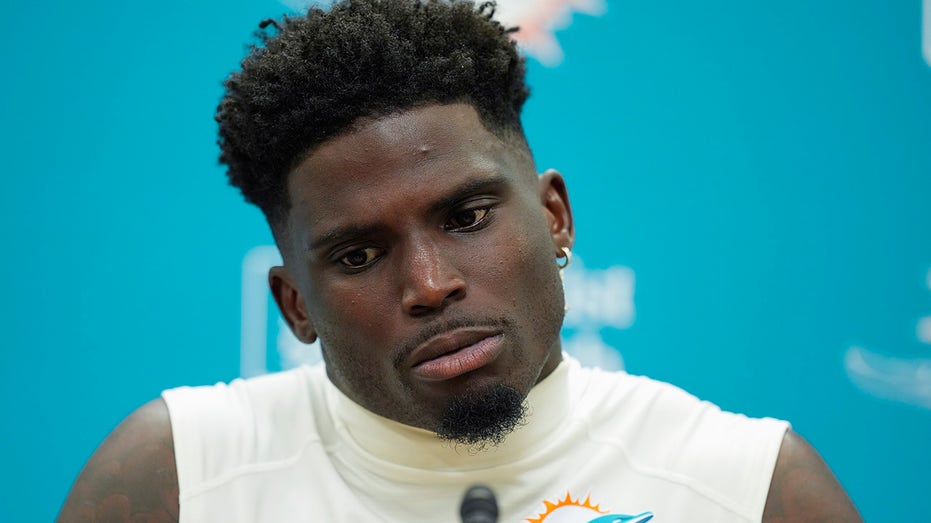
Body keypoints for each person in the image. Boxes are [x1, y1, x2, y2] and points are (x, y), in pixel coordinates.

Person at [57, 1, 862, 521]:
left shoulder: (747, 488)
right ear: (295, 304)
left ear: (554, 217)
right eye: (358, 253)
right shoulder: (176, 479)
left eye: (467, 216)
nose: (430, 284)